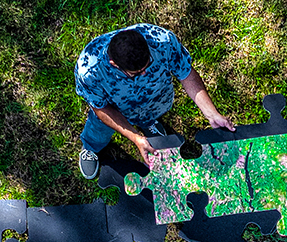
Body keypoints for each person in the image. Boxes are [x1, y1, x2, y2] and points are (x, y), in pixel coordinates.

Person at [74, 24, 237, 179]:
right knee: (98, 131)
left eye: (148, 65)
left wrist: (211, 114)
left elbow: (186, 73)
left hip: (154, 101)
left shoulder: (161, 40)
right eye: (136, 73)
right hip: (115, 110)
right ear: (114, 64)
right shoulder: (90, 70)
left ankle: (148, 124)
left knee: (151, 116)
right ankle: (91, 148)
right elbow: (101, 109)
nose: (144, 74)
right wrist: (136, 138)